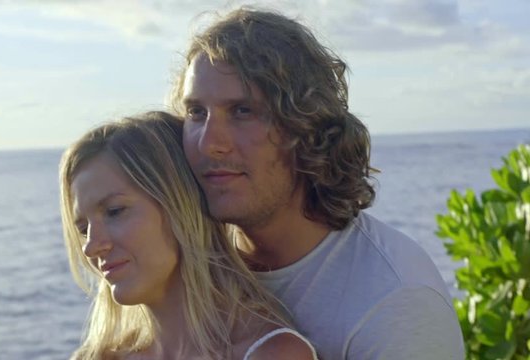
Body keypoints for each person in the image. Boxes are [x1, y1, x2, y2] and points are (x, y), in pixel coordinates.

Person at [169, 8, 465, 360]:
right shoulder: (180, 265)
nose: (209, 142)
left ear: (305, 127)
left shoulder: (393, 301)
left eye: (243, 111)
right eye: (196, 113)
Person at [59, 111, 318, 359]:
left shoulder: (270, 353)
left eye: (115, 212)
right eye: (83, 229)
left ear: (180, 206)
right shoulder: (98, 357)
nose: (91, 247)